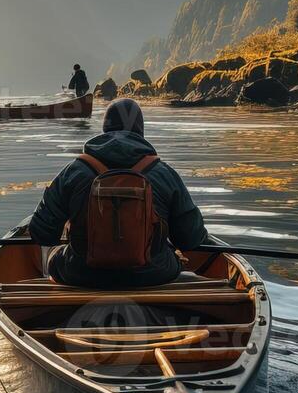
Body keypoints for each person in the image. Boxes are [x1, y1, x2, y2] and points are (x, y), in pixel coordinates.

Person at [29, 98, 208, 288]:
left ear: (105, 129)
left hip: (81, 275)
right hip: (154, 275)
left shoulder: (74, 172)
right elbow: (191, 239)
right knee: (172, 254)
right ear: (141, 132)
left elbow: (42, 234)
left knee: (52, 257)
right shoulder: (164, 173)